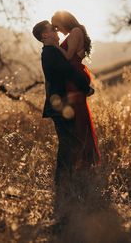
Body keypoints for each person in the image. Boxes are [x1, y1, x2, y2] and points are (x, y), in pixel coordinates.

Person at [32, 20, 93, 188]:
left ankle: (67, 183)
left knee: (70, 143)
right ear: (45, 35)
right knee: (68, 144)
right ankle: (62, 184)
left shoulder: (51, 51)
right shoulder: (50, 53)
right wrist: (86, 87)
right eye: (53, 30)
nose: (57, 32)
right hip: (59, 106)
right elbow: (68, 71)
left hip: (60, 105)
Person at [51, 11, 101, 170]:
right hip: (71, 76)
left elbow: (67, 57)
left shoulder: (76, 31)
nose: (58, 31)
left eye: (57, 27)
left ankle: (83, 160)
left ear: (62, 21)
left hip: (73, 77)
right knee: (76, 115)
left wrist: (54, 46)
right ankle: (79, 161)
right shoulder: (76, 32)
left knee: (78, 115)